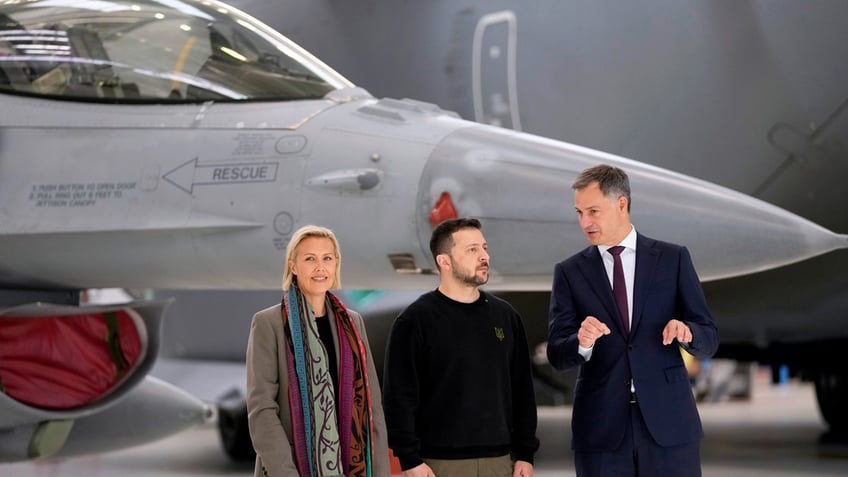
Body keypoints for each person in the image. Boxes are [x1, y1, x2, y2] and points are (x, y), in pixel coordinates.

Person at [547, 164, 719, 477]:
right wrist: (581, 343)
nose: (585, 222)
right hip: (600, 429)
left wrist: (687, 332)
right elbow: (558, 354)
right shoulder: (569, 272)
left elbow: (709, 336)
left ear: (621, 204)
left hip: (669, 425)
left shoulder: (673, 258)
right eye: (579, 212)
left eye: (593, 211)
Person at [382, 217, 539, 477]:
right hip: (437, 465)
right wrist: (409, 460)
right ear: (444, 261)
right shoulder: (415, 320)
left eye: (484, 248)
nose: (484, 256)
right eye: (472, 250)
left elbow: (523, 391)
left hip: (500, 464)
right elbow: (398, 398)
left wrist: (525, 453)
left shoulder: (506, 317)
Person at [246, 225, 389, 477]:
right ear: (293, 266)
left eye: (327, 258)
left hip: (351, 467)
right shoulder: (269, 323)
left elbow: (372, 406)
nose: (320, 267)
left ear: (336, 265)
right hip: (291, 469)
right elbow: (262, 411)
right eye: (309, 258)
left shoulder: (353, 323)